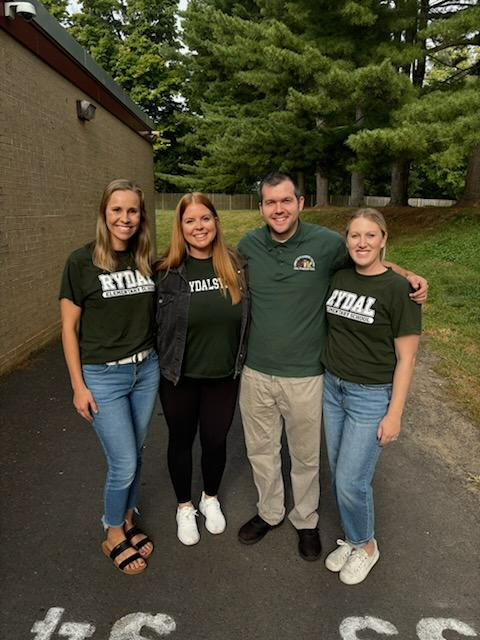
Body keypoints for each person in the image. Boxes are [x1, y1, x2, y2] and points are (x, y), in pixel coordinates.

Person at [237, 172, 427, 561]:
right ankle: (269, 512)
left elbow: (370, 259)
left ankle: (305, 520)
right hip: (256, 372)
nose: (279, 209)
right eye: (270, 202)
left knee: (306, 456)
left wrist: (408, 276)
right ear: (261, 208)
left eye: (286, 200)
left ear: (301, 203)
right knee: (261, 451)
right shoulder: (248, 245)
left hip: (306, 375)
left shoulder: (326, 245)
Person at [59, 179, 159, 575]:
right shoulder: (80, 263)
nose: (125, 218)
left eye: (132, 210)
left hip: (145, 369)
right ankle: (113, 531)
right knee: (123, 461)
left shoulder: (145, 259)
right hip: (103, 377)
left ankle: (129, 519)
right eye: (116, 209)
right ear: (104, 213)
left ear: (141, 215)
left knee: (135, 452)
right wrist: (77, 386)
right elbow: (68, 329)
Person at [322, 208, 421, 584]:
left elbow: (407, 358)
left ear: (383, 239)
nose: (362, 243)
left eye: (370, 235)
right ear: (346, 241)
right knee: (339, 473)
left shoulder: (399, 290)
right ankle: (351, 538)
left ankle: (366, 546)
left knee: (352, 479)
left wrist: (394, 413)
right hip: (333, 388)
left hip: (371, 395)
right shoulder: (339, 275)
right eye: (354, 236)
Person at [155, 192, 249, 546]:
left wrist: (392, 268)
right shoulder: (165, 271)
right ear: (180, 227)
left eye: (205, 218)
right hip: (179, 376)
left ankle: (210, 498)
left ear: (216, 222)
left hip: (223, 375)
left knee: (215, 440)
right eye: (190, 220)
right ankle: (183, 506)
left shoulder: (238, 266)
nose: (199, 226)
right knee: (180, 440)